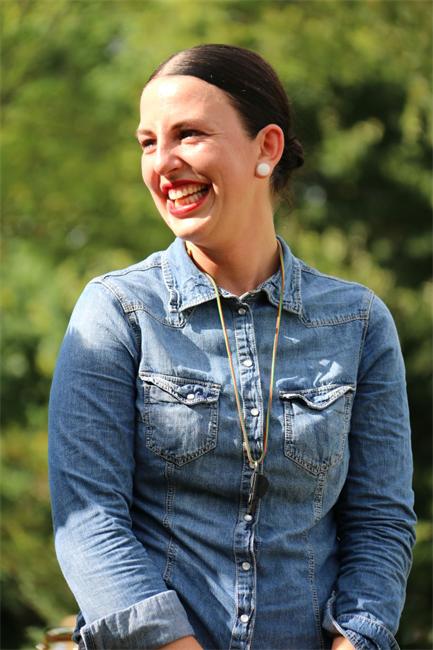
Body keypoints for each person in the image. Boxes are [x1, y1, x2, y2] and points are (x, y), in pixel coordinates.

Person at [48, 44, 416, 650]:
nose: (163, 163)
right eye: (148, 142)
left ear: (266, 148)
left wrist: (355, 642)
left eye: (188, 135)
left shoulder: (358, 322)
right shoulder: (117, 312)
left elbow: (380, 525)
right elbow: (88, 523)